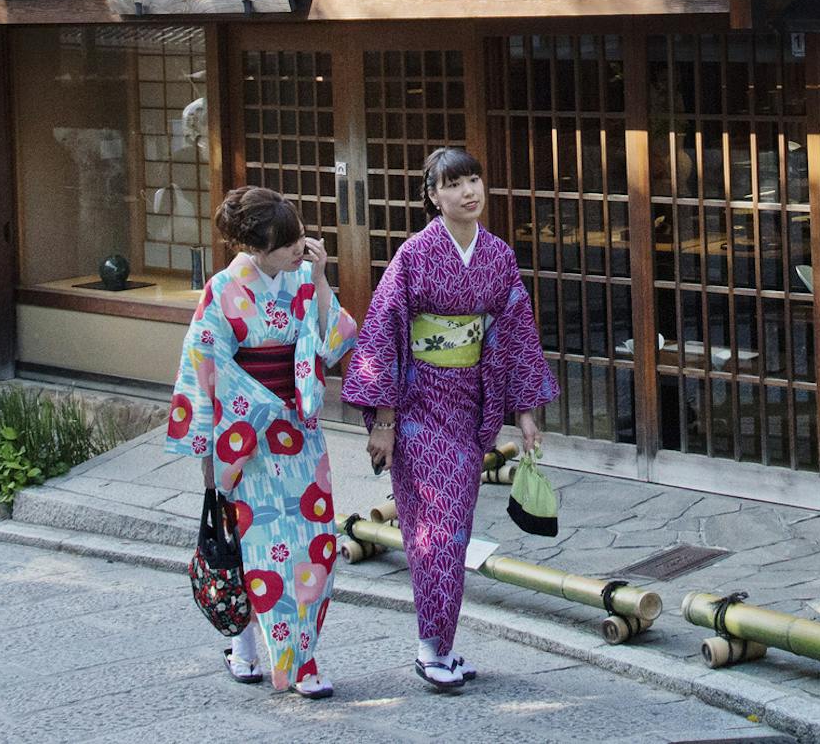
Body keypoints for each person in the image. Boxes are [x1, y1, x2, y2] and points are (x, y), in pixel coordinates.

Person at [343, 146, 558, 692]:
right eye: (454, 183)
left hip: (468, 402)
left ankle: (439, 643)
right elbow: (384, 334)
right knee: (433, 527)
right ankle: (430, 648)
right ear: (433, 196)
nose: (469, 191)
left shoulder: (499, 256)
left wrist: (526, 412)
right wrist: (384, 421)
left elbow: (516, 334)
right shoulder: (414, 256)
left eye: (474, 179)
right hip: (417, 405)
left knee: (454, 526)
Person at [164, 186, 356, 699]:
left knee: (316, 546)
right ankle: (255, 649)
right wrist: (209, 451)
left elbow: (336, 340)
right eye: (287, 243)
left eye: (298, 238)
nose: (300, 248)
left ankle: (303, 653)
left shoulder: (302, 279)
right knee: (259, 550)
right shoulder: (223, 290)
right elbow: (204, 372)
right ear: (255, 248)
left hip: (300, 434)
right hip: (247, 443)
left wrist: (318, 279)